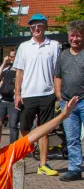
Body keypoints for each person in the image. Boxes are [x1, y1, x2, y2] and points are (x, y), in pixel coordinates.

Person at [13, 13, 62, 176]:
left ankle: (43, 165)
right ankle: (20, 163)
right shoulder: (24, 47)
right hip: (28, 95)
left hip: (47, 94)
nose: (36, 28)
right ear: (30, 28)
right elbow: (19, 72)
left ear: (45, 27)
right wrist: (17, 94)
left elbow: (57, 72)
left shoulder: (54, 45)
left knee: (44, 130)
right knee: (24, 129)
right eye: (33, 25)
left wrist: (57, 93)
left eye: (40, 25)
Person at [54, 20, 84, 181]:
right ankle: (74, 169)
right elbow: (57, 76)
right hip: (67, 103)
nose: (75, 39)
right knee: (72, 138)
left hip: (83, 101)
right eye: (72, 35)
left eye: (78, 36)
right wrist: (59, 94)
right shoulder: (63, 55)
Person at [0, 49, 19, 144]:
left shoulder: (20, 70)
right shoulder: (6, 69)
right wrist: (4, 62)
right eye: (10, 57)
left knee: (13, 125)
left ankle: (13, 149)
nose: (11, 59)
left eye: (13, 57)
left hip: (13, 102)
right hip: (2, 101)